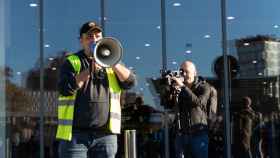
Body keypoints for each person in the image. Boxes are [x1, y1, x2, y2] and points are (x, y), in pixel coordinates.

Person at [56, 21, 136, 158]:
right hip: (76, 136)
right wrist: (88, 71)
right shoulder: (72, 61)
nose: (94, 39)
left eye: (97, 36)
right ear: (81, 40)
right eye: (89, 37)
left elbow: (130, 82)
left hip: (105, 136)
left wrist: (112, 61)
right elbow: (65, 89)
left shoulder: (112, 61)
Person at [171, 60, 211, 158]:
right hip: (181, 134)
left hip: (198, 134)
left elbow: (198, 102)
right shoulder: (178, 88)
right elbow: (168, 105)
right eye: (181, 71)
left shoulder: (204, 87)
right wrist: (170, 91)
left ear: (195, 72)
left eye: (187, 71)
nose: (184, 74)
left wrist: (183, 87)